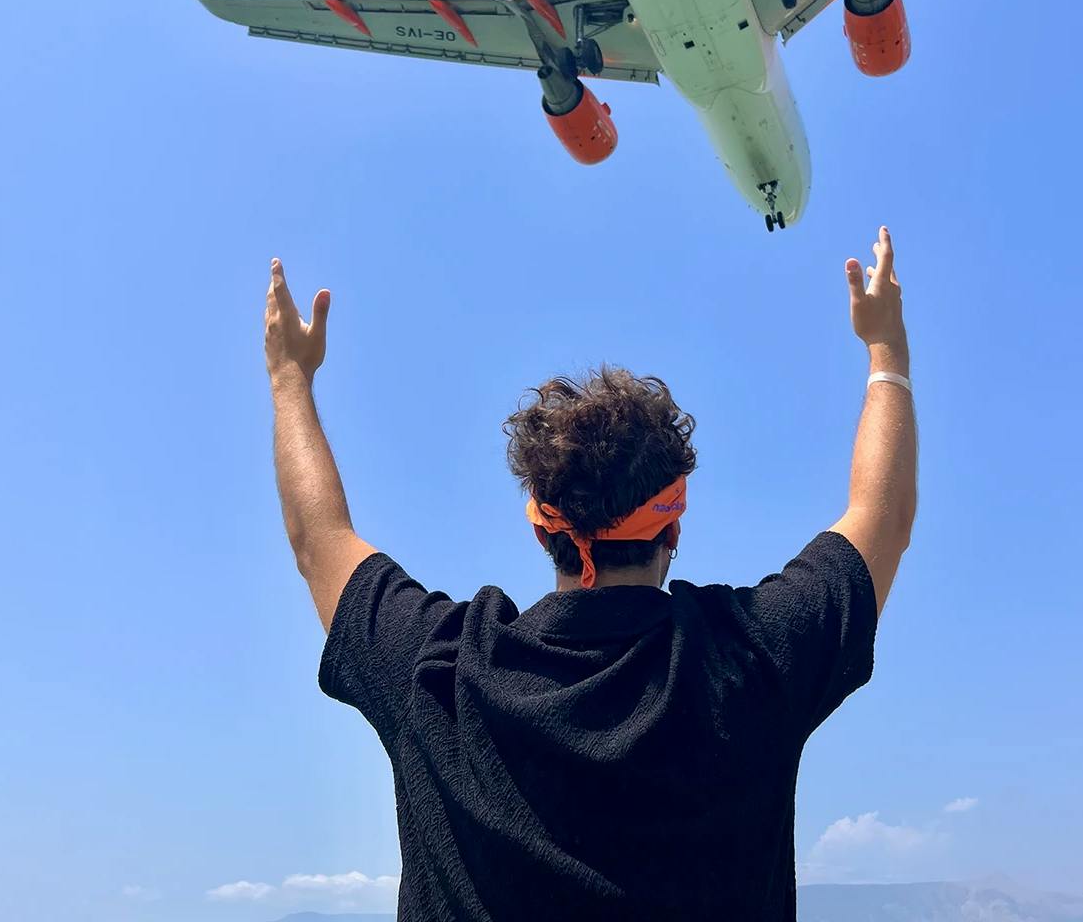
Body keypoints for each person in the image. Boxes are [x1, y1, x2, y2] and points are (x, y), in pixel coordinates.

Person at [264, 229, 918, 922]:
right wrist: (886, 352)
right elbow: (882, 513)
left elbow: (320, 539)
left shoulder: (443, 670)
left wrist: (288, 381)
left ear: (543, 528)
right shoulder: (750, 656)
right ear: (672, 527)